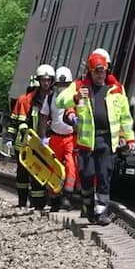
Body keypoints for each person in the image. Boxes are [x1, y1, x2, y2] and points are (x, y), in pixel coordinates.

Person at [57, 50, 135, 225]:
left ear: (107, 70)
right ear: (90, 72)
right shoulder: (80, 87)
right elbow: (60, 101)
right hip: (87, 143)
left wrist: (129, 138)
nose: (100, 75)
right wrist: (75, 98)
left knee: (103, 175)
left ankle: (101, 212)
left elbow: (125, 116)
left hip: (107, 141)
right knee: (86, 175)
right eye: (96, 71)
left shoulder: (116, 89)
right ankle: (88, 205)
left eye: (103, 71)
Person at [4, 72, 50, 208]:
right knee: (28, 174)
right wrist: (9, 139)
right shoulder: (25, 100)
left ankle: (31, 203)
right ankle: (31, 203)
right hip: (25, 144)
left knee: (31, 174)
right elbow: (18, 123)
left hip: (34, 143)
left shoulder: (39, 100)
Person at [42, 66, 78, 212]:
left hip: (70, 138)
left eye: (65, 85)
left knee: (71, 166)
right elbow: (43, 117)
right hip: (55, 138)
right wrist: (43, 136)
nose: (62, 88)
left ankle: (67, 196)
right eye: (60, 84)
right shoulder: (50, 98)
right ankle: (54, 196)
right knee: (53, 167)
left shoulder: (75, 99)